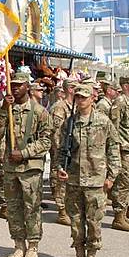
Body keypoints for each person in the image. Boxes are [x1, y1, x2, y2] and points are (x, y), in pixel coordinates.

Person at [0, 71, 52, 257]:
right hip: (10, 169)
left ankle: (33, 246)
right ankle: (18, 245)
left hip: (30, 169)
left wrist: (25, 153)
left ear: (27, 87)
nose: (15, 88)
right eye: (13, 85)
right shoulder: (6, 109)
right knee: (13, 209)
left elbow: (46, 141)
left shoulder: (39, 111)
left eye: (19, 85)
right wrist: (3, 109)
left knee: (31, 208)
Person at [58, 84, 120, 257]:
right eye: (77, 97)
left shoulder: (103, 121)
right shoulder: (69, 123)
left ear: (93, 98)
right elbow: (61, 150)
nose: (80, 100)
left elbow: (113, 148)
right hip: (74, 179)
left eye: (84, 97)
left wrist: (112, 176)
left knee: (94, 222)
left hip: (95, 180)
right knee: (76, 221)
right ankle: (79, 256)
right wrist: (60, 168)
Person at [109, 76, 129, 232]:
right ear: (125, 86)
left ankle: (124, 213)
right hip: (122, 149)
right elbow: (113, 128)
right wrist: (114, 150)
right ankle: (118, 217)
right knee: (122, 184)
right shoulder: (119, 102)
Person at [49, 78, 76, 226]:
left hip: (72, 149)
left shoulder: (74, 106)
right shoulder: (60, 107)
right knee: (60, 179)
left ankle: (68, 208)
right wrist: (60, 150)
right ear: (70, 89)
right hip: (61, 149)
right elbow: (56, 132)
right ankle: (62, 211)